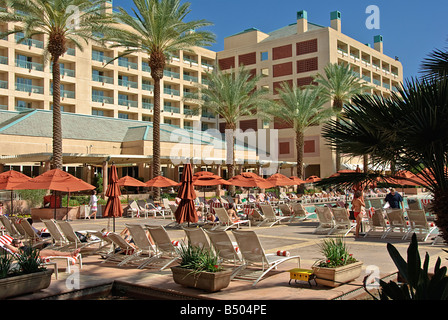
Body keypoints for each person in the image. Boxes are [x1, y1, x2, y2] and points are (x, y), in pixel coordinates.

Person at [4, 238, 81, 258]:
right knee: (53, 253)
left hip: (36, 252)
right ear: (16, 245)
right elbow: (7, 245)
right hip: (34, 254)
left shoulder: (23, 247)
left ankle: (70, 253)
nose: (22, 242)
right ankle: (71, 254)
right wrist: (7, 244)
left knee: (52, 251)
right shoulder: (19, 250)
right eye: (20, 242)